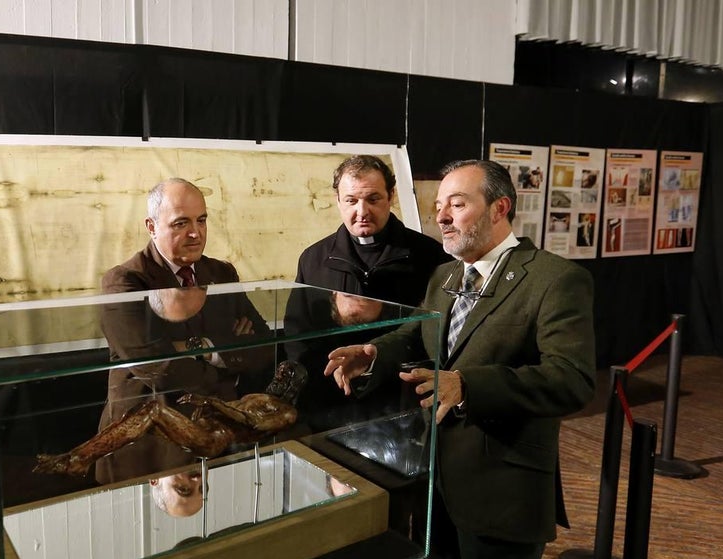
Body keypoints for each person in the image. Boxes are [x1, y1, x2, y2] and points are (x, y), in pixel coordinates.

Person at [322, 159, 596, 559]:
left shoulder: (555, 280)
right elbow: (420, 335)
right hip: (438, 483)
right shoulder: (447, 275)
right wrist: (375, 353)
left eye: (457, 203)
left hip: (502, 488)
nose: (442, 216)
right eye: (439, 205)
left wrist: (469, 386)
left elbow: (572, 379)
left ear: (499, 208)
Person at [91, 178, 274, 485]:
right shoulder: (124, 282)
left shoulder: (221, 273)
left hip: (217, 438)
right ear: (151, 226)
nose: (195, 233)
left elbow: (264, 345)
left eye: (201, 220)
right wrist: (225, 356)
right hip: (150, 446)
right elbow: (156, 367)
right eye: (180, 223)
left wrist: (198, 347)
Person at [283, 155, 450, 426]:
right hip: (330, 406)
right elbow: (297, 336)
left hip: (401, 407)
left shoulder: (431, 257)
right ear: (337, 200)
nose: (362, 211)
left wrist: (379, 316)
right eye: (351, 200)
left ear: (391, 196)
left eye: (373, 199)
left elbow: (434, 335)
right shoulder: (313, 258)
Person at [34, 360, 307, 478]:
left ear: (293, 384)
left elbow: (252, 423)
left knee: (153, 412)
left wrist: (212, 402)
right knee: (137, 418)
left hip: (211, 440)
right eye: (280, 371)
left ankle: (79, 459)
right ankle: (78, 457)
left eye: (285, 375)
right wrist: (210, 407)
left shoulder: (285, 411)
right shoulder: (260, 395)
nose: (278, 376)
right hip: (204, 424)